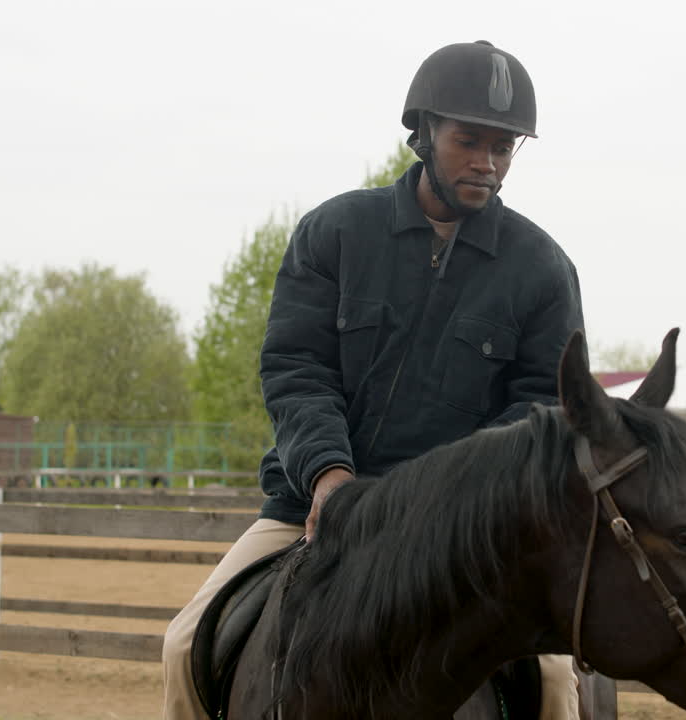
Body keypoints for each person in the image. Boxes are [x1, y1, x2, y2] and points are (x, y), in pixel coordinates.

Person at [161, 40, 585, 720]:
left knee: (559, 690)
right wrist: (330, 476)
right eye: (468, 141)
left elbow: (542, 410)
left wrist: (447, 502)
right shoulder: (333, 233)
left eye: (503, 148)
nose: (487, 163)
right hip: (315, 511)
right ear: (422, 135)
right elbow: (295, 368)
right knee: (183, 647)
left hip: (467, 533)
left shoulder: (543, 270)